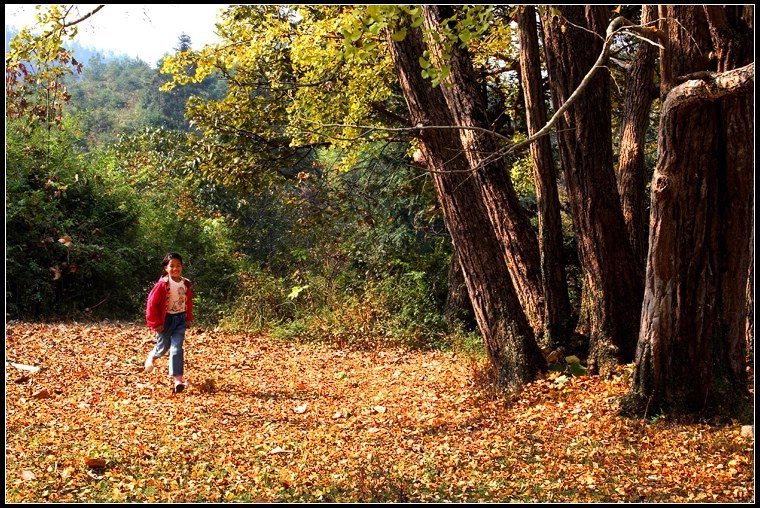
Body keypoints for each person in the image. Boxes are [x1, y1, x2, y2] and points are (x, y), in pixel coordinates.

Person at [144, 252, 194, 393]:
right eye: (172, 266)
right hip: (165, 321)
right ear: (166, 268)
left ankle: (178, 379)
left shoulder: (185, 284)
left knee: (177, 348)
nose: (175, 269)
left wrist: (189, 318)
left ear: (182, 267)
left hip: (180, 319)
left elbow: (188, 302)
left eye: (178, 266)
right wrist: (155, 324)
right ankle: (152, 356)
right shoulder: (162, 285)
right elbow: (151, 304)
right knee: (163, 348)